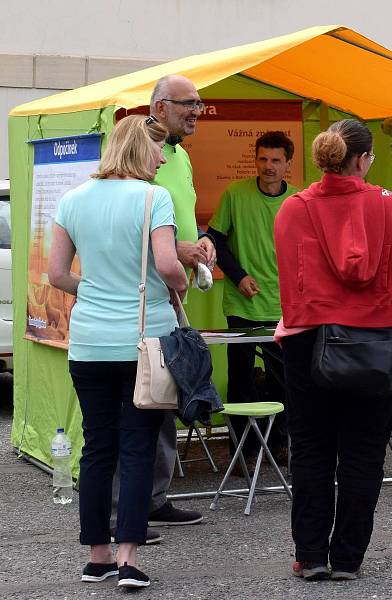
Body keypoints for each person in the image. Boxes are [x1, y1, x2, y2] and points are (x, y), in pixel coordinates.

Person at [274, 119, 392, 581]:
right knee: (364, 451)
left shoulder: (292, 209)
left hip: (307, 339)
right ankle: (348, 558)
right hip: (378, 339)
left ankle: (310, 554)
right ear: (364, 159)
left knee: (311, 449)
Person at [48, 115, 189, 588]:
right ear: (140, 151)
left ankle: (97, 556)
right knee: (137, 449)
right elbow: (168, 264)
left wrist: (98, 289)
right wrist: (182, 283)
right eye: (157, 150)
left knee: (97, 447)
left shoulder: (72, 199)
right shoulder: (154, 198)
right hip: (142, 342)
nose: (161, 157)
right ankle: (129, 558)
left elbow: (57, 275)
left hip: (88, 343)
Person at [116, 75, 216, 535]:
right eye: (188, 104)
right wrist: (180, 256)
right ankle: (129, 506)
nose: (197, 111)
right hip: (142, 299)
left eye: (199, 103)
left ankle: (152, 498)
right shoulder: (137, 167)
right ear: (158, 108)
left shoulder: (181, 157)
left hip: (165, 297)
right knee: (138, 400)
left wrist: (201, 245)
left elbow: (178, 223)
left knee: (159, 397)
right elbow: (138, 237)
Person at [207, 132, 298, 461]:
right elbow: (214, 239)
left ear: (288, 163)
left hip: (285, 307)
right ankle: (241, 449)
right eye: (262, 159)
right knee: (241, 380)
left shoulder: (298, 201)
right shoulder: (235, 194)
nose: (268, 166)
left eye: (275, 160)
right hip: (242, 305)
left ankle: (282, 445)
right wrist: (239, 276)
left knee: (285, 379)